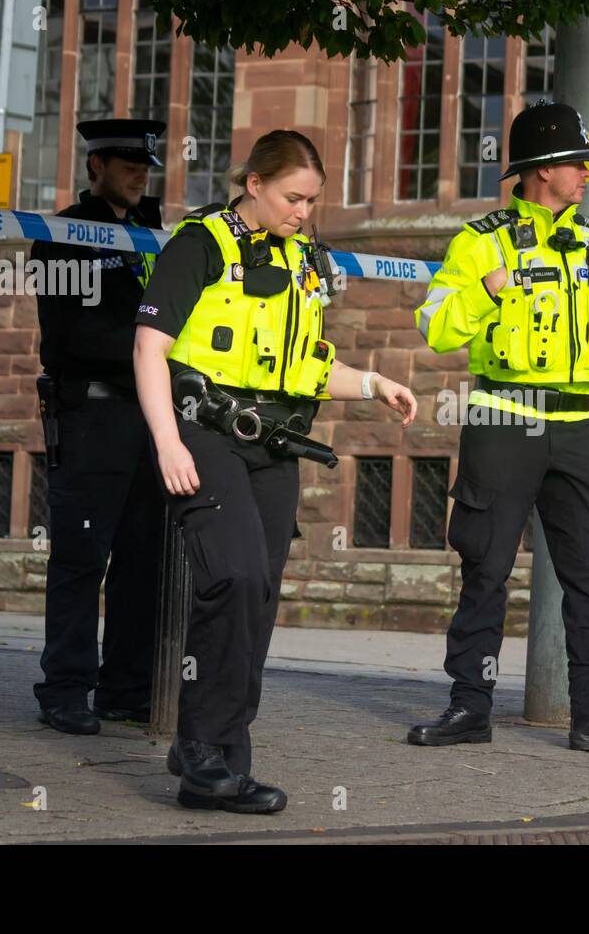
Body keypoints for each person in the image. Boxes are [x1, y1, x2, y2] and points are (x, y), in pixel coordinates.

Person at [134, 129, 418, 814]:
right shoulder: (199, 246)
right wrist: (168, 443)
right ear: (254, 184)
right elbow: (148, 348)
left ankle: (222, 756)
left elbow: (310, 365)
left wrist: (373, 381)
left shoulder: (304, 263)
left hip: (277, 444)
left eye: (312, 201)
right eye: (293, 197)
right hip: (204, 432)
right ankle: (201, 750)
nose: (303, 212)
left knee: (257, 598)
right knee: (231, 577)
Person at [408, 100, 589, 751]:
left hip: (579, 422)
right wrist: (486, 291)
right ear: (540, 170)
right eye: (575, 163)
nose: (586, 174)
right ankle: (469, 708)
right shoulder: (481, 242)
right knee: (486, 569)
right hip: (506, 417)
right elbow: (436, 324)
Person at [33, 118, 167, 735]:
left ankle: (125, 689)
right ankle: (64, 689)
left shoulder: (154, 234)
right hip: (93, 413)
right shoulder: (62, 236)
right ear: (95, 167)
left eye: (144, 164)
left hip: (149, 417)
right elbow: (70, 335)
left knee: (144, 559)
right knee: (81, 558)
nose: (140, 172)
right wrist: (155, 351)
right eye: (125, 162)